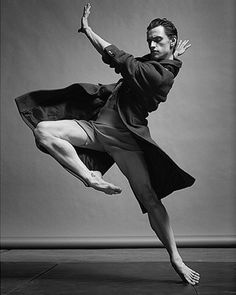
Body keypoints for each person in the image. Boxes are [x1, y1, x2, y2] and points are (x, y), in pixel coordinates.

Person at [15, 3, 200, 285]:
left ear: (172, 40)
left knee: (150, 198)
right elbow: (140, 63)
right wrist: (173, 56)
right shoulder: (160, 65)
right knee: (43, 131)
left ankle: (176, 257)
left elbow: (121, 59)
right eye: (149, 39)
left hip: (125, 141)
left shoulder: (159, 76)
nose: (151, 43)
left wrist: (89, 30)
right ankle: (89, 176)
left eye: (158, 39)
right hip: (96, 129)